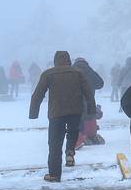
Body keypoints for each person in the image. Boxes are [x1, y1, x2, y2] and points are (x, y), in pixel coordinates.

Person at [29, 50, 96, 182]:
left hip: (56, 113)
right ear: (69, 60)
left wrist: (33, 113)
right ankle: (70, 151)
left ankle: (54, 174)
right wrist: (91, 109)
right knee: (72, 132)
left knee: (55, 143)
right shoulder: (78, 73)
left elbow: (37, 94)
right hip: (75, 111)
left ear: (55, 60)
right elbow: (88, 92)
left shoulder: (48, 74)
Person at [73, 57, 105, 148]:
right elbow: (100, 84)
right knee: (89, 117)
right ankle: (91, 135)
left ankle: (79, 137)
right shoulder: (90, 71)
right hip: (89, 101)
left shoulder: (71, 71)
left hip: (75, 101)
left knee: (77, 120)